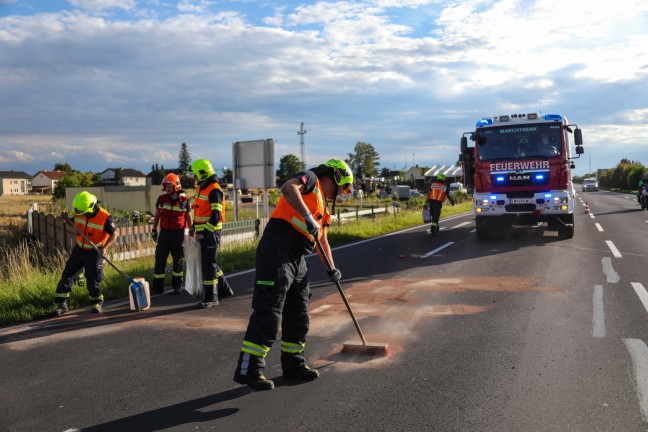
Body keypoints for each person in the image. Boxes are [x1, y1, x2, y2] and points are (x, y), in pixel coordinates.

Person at [233, 159, 353, 391]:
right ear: (336, 177)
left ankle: (293, 364)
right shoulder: (310, 180)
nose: (340, 194)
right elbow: (288, 189)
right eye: (343, 188)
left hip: (298, 256)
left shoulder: (324, 208)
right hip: (277, 248)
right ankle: (250, 369)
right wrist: (307, 216)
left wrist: (332, 268)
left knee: (298, 313)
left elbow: (322, 240)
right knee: (270, 308)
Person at [51, 191, 118, 315]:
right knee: (67, 275)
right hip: (80, 249)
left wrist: (105, 248)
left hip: (94, 252)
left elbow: (114, 234)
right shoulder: (81, 210)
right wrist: (66, 218)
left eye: (84, 213)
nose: (81, 215)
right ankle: (61, 304)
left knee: (93, 278)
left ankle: (96, 302)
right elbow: (75, 224)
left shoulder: (105, 217)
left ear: (91, 207)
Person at [190, 159, 234, 308]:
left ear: (202, 174)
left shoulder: (214, 190)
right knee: (210, 262)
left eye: (195, 175)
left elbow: (216, 216)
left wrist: (205, 233)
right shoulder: (202, 188)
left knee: (208, 265)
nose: (193, 178)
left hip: (211, 232)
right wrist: (193, 226)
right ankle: (225, 290)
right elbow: (200, 210)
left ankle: (211, 297)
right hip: (204, 231)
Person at [151, 173, 193, 295]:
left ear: (176, 186)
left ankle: (177, 285)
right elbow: (157, 215)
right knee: (160, 259)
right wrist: (154, 230)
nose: (167, 188)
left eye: (170, 186)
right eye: (166, 186)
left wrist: (191, 230)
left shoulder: (185, 201)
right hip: (164, 234)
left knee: (178, 260)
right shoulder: (161, 199)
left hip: (178, 234)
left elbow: (189, 217)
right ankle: (158, 287)